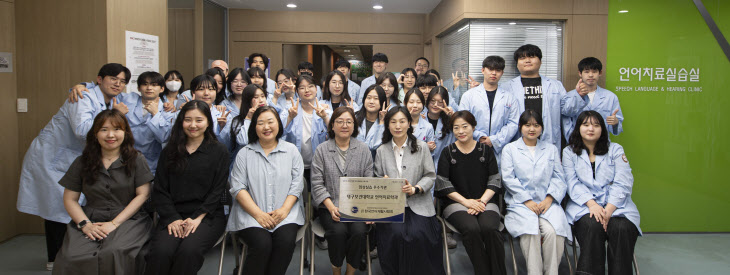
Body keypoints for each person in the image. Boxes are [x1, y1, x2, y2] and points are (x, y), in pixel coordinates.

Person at [17, 63, 130, 270]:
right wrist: (115, 114)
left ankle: (68, 255)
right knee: (58, 207)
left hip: (71, 158)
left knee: (68, 206)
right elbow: (82, 130)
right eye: (113, 78)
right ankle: (55, 259)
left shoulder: (107, 98)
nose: (118, 84)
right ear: (99, 79)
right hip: (51, 158)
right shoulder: (83, 97)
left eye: (122, 81)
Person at [52, 109, 153, 274]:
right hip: (90, 218)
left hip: (128, 218)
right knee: (71, 256)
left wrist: (114, 224)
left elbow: (143, 194)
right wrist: (85, 225)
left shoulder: (136, 159)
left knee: (114, 251)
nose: (110, 135)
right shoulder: (82, 162)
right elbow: (70, 199)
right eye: (104, 130)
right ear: (95, 134)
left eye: (117, 129)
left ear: (125, 133)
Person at [144, 100, 229, 275]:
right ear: (181, 121)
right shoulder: (170, 150)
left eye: (199, 120)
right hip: (173, 214)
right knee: (161, 252)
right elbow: (160, 188)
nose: (193, 125)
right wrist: (173, 218)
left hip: (207, 216)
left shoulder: (219, 151)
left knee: (188, 251)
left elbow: (218, 190)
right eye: (188, 120)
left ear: (208, 122)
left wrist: (197, 218)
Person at [227, 106, 305, 275]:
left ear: (278, 124)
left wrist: (284, 210)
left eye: (271, 122)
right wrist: (258, 214)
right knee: (262, 244)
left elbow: (297, 184)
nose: (266, 127)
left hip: (285, 214)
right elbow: (238, 187)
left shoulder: (291, 150)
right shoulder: (244, 153)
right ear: (254, 127)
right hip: (251, 214)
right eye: (260, 123)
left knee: (284, 242)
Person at [563, 110, 641, 275]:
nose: (591, 129)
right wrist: (592, 205)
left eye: (596, 125)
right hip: (584, 206)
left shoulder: (615, 149)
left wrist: (609, 210)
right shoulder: (569, 152)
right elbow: (571, 183)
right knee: (592, 226)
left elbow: (623, 181)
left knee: (621, 228)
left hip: (617, 206)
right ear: (578, 128)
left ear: (602, 129)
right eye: (586, 125)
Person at [374, 106, 445, 275]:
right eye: (393, 122)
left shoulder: (421, 147)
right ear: (388, 125)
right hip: (391, 206)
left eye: (402, 121)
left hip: (418, 203)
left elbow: (430, 175)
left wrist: (415, 188)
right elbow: (376, 178)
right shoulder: (381, 150)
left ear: (409, 124)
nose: (398, 126)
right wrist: (383, 183)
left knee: (419, 234)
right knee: (395, 234)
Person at [434, 110, 506, 275]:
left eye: (465, 126)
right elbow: (443, 183)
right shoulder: (448, 152)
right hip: (457, 205)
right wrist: (467, 202)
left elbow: (494, 180)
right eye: (456, 127)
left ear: (473, 127)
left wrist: (481, 202)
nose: (460, 131)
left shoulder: (485, 151)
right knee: (471, 228)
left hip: (485, 202)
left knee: (489, 228)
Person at [501, 109, 571, 275]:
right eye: (527, 125)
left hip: (547, 203)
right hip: (520, 204)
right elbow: (509, 178)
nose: (532, 129)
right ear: (520, 127)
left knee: (554, 232)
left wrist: (549, 199)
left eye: (536, 125)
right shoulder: (510, 149)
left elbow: (559, 177)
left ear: (542, 128)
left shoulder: (551, 149)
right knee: (531, 231)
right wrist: (527, 201)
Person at [311, 107, 373, 275]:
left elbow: (369, 181)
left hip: (357, 207)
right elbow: (316, 183)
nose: (344, 125)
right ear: (332, 126)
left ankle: (350, 272)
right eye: (339, 121)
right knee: (337, 232)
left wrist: (368, 210)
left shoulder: (363, 149)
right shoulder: (322, 150)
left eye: (348, 122)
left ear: (354, 126)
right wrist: (331, 207)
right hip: (329, 206)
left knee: (359, 233)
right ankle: (336, 271)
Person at [503, 44, 567, 149]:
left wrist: (578, 95)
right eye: (522, 58)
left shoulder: (556, 85)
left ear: (540, 62)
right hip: (518, 140)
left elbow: (567, 110)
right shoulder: (506, 87)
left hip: (548, 140)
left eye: (532, 57)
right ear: (517, 64)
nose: (527, 61)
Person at [458, 56, 519, 163]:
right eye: (490, 69)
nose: (494, 73)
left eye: (498, 70)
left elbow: (513, 123)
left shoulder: (510, 98)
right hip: (473, 145)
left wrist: (494, 140)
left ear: (502, 73)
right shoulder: (468, 96)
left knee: (496, 177)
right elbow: (462, 121)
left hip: (500, 149)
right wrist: (479, 136)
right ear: (483, 70)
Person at [561, 57, 624, 139]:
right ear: (580, 73)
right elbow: (566, 118)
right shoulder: (569, 95)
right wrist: (579, 96)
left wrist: (616, 123)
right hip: (577, 144)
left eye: (594, 72)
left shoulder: (610, 97)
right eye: (586, 72)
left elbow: (617, 128)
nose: (591, 75)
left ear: (600, 73)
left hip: (602, 144)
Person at [354, 85, 389, 157]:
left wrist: (382, 121)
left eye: (376, 98)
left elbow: (375, 145)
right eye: (369, 98)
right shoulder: (355, 117)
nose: (371, 102)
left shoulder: (387, 122)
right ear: (364, 100)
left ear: (382, 102)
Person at [425, 86, 455, 166]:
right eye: (432, 101)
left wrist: (453, 117)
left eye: (440, 102)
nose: (435, 105)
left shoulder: (450, 122)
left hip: (444, 166)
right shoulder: (421, 120)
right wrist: (425, 146)